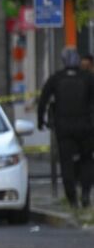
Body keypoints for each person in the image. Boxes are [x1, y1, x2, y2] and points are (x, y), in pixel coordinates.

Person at [37, 48, 94, 208]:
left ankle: (72, 198)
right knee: (87, 160)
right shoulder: (88, 78)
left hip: (64, 127)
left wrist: (40, 121)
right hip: (86, 127)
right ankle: (85, 194)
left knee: (66, 163)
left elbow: (43, 100)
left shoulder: (57, 78)